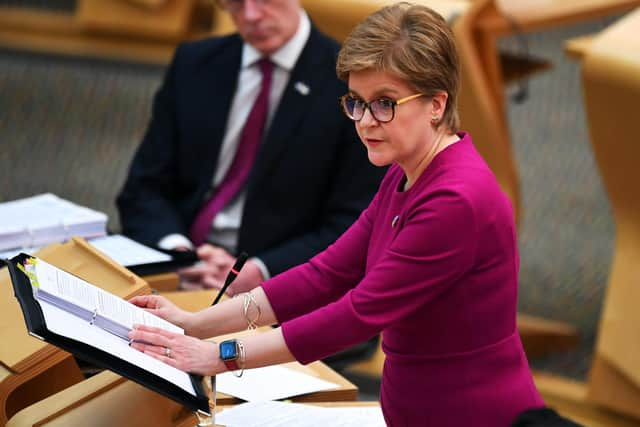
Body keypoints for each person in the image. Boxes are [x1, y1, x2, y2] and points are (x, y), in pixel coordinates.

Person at [129, 3, 545, 425]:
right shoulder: (406, 170)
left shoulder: (455, 199)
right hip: (417, 405)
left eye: (385, 104)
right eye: (357, 103)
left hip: (472, 412)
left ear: (437, 104)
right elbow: (326, 274)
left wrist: (219, 355)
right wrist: (197, 324)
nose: (365, 122)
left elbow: (357, 314)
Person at [116, 0, 384, 294]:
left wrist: (262, 271)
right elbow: (143, 188)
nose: (251, 15)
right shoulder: (194, 63)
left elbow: (354, 225)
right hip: (177, 271)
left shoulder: (350, 84)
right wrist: (179, 254)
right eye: (235, 3)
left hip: (282, 290)